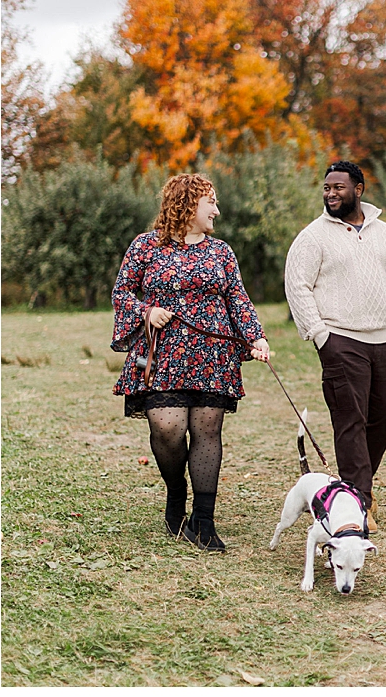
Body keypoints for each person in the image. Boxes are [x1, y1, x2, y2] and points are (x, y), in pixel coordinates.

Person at [110, 174, 273, 552]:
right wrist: (146, 310)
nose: (217, 210)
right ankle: (175, 492)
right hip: (162, 353)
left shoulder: (221, 252)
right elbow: (122, 293)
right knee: (167, 427)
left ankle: (203, 520)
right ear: (186, 205)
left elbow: (237, 298)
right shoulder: (145, 247)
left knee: (206, 431)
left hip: (211, 356)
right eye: (210, 202)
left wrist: (256, 337)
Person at [284, 160, 386, 528]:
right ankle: (358, 502)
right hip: (341, 340)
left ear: (358, 189)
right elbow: (297, 286)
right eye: (327, 188)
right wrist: (320, 335)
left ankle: (356, 487)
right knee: (350, 420)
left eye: (338, 187)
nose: (331, 193)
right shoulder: (313, 237)